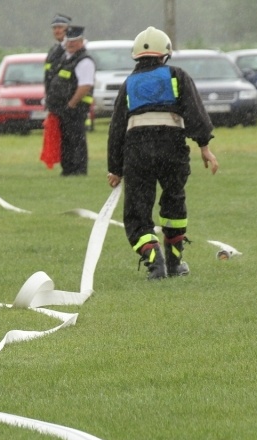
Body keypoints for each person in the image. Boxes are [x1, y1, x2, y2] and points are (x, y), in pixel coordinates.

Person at [106, 26, 219, 280]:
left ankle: (153, 258)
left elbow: (116, 128)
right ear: (164, 55)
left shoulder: (129, 84)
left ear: (136, 56)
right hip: (172, 149)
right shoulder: (177, 75)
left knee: (137, 210)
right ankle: (175, 262)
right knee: (173, 201)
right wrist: (204, 147)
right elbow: (195, 112)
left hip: (137, 151)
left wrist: (115, 168)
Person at [45, 26, 95, 176]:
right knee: (65, 140)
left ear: (81, 41)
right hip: (63, 109)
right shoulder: (66, 58)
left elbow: (85, 85)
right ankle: (67, 169)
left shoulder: (84, 61)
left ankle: (78, 170)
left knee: (76, 139)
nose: (71, 44)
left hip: (75, 109)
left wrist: (71, 104)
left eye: (74, 41)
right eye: (69, 41)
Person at [44, 14, 71, 87]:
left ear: (68, 29)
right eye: (54, 28)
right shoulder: (53, 50)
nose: (57, 31)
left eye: (60, 27)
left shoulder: (72, 49)